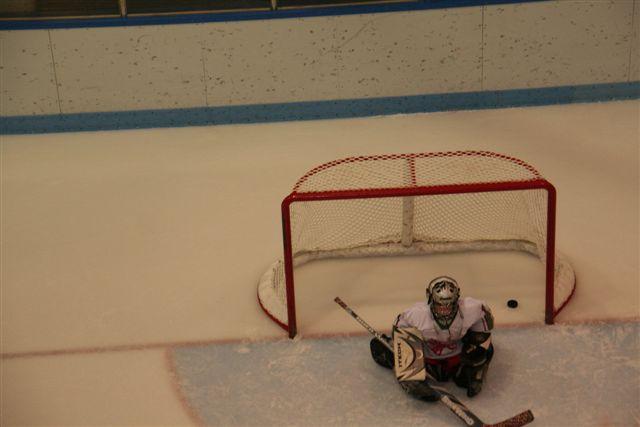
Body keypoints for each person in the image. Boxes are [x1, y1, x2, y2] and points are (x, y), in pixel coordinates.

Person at [370, 276, 494, 400]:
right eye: (440, 305)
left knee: (480, 355)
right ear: (430, 299)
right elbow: (401, 335)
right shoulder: (415, 315)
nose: (445, 310)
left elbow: (483, 328)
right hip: (428, 359)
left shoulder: (474, 309)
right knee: (413, 379)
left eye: (449, 305)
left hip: (458, 356)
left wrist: (476, 347)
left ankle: (470, 370)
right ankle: (389, 353)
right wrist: (411, 368)